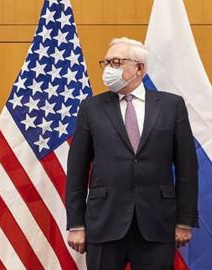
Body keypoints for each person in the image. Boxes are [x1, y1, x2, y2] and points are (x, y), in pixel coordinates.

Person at [66, 37, 198, 269]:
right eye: (105, 63)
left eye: (116, 62)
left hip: (157, 224)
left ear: (139, 68)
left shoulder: (171, 106)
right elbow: (77, 170)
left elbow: (187, 168)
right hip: (104, 223)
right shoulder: (91, 108)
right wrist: (76, 224)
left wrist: (184, 221)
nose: (108, 69)